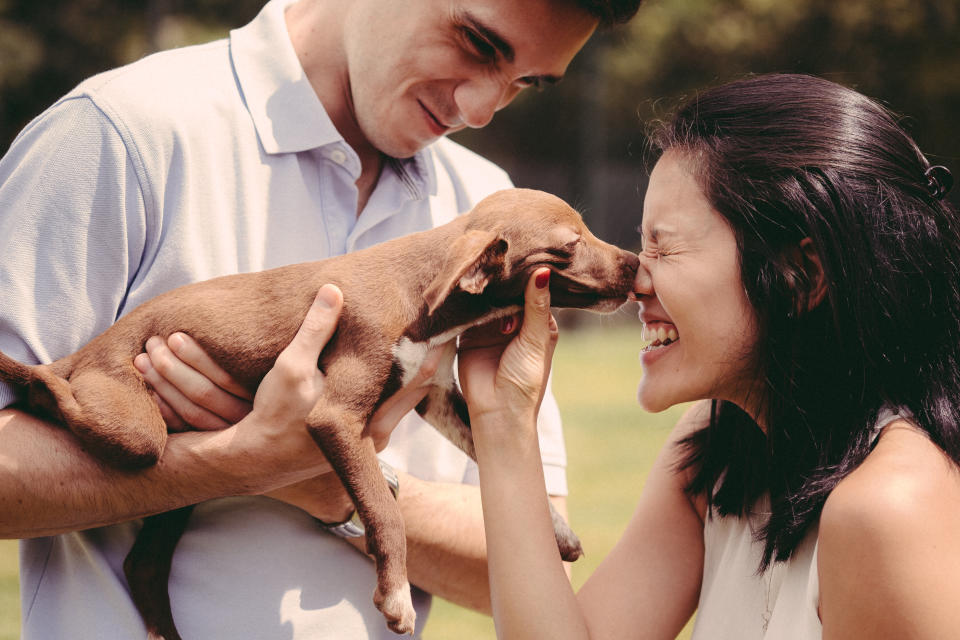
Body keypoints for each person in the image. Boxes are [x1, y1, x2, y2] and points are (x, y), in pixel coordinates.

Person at [0, 0, 642, 637]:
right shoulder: (124, 135)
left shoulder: (501, 215)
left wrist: (331, 486)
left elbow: (516, 569)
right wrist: (231, 462)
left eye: (524, 84)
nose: (477, 111)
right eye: (476, 41)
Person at [460, 73, 960, 639]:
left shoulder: (888, 510)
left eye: (663, 245)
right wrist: (503, 420)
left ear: (803, 275)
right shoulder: (717, 450)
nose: (635, 280)